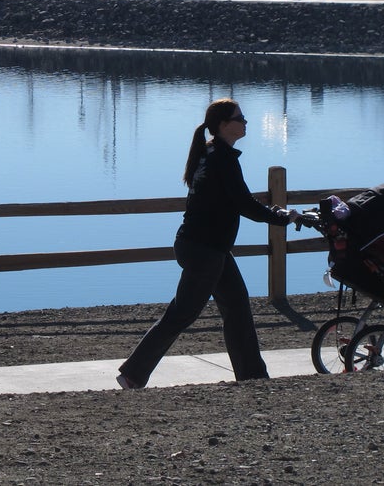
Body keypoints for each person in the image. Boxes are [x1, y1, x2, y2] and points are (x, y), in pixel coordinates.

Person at [116, 98, 298, 389]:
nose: (246, 122)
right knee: (182, 313)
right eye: (241, 117)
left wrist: (275, 216)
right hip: (205, 249)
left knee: (237, 309)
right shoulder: (221, 158)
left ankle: (253, 378)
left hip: (208, 248)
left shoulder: (211, 153)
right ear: (225, 125)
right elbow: (244, 203)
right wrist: (280, 218)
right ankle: (133, 374)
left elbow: (234, 201)